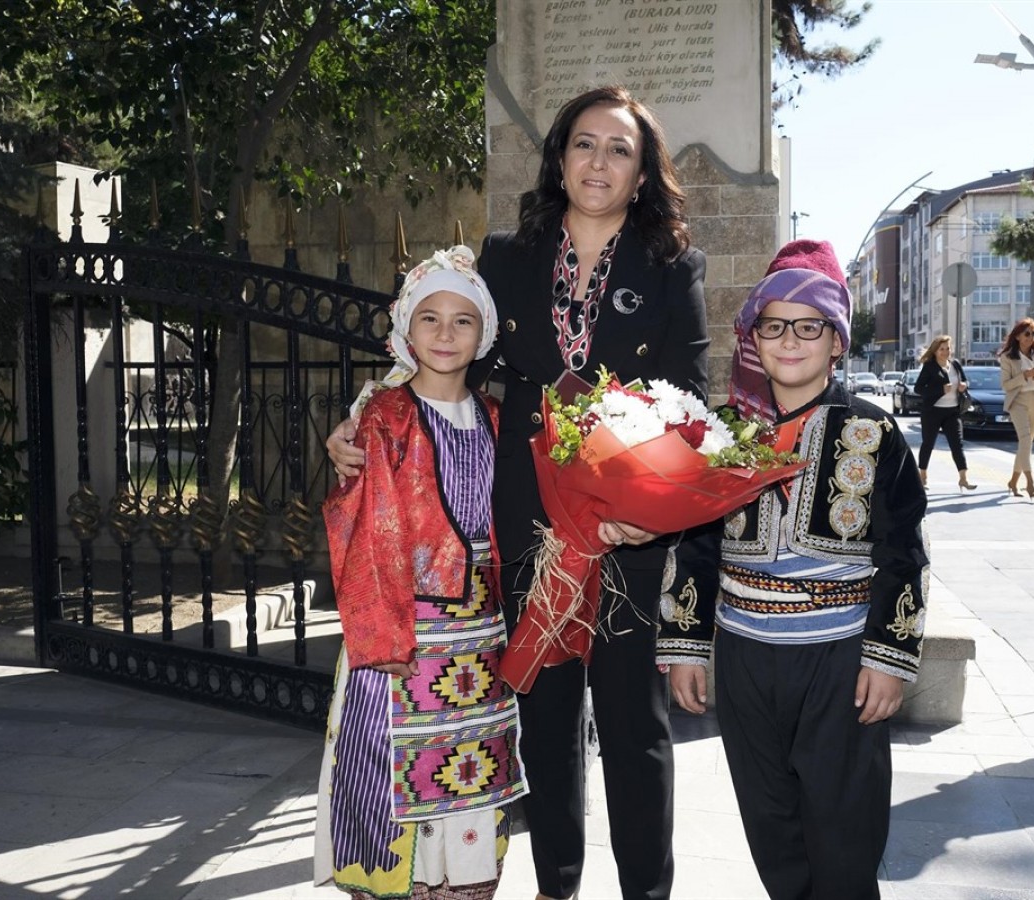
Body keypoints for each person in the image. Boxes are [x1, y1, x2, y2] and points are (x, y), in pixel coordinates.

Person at [328, 85, 710, 900]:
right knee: (545, 720)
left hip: (627, 536)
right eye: (583, 143)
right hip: (529, 530)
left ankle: (646, 891)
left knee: (635, 727)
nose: (598, 161)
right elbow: (446, 348)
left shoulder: (674, 268)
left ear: (642, 174)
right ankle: (556, 887)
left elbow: (692, 404)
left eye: (619, 149)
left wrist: (645, 513)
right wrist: (364, 413)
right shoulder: (506, 257)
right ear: (559, 157)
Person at [662, 240, 928, 900]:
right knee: (770, 824)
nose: (790, 340)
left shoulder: (874, 432)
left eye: (809, 327)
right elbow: (696, 548)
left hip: (839, 662)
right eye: (775, 325)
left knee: (843, 831)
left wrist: (888, 658)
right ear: (754, 336)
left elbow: (905, 555)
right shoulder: (724, 435)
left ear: (836, 341)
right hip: (748, 659)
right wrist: (687, 648)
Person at [316, 247, 526, 900]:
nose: (444, 333)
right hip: (401, 647)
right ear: (405, 331)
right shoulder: (383, 417)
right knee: (387, 789)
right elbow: (368, 530)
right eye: (429, 317)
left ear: (484, 335)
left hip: (484, 647)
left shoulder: (499, 420)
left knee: (472, 789)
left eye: (462, 321)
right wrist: (382, 640)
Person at [914, 334, 975, 491]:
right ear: (935, 351)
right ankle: (922, 476)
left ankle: (963, 478)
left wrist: (963, 385)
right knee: (928, 444)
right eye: (942, 349)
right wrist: (939, 390)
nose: (946, 352)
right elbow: (918, 389)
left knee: (957, 445)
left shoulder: (955, 364)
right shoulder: (930, 366)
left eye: (948, 348)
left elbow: (965, 380)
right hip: (932, 412)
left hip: (952, 412)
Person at [997, 318, 1034, 497]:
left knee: (1026, 444)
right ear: (1018, 336)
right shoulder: (1008, 356)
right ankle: (1030, 483)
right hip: (1017, 400)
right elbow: (1006, 385)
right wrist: (1025, 375)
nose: (1031, 337)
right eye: (1027, 333)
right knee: (1025, 440)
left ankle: (1013, 481)